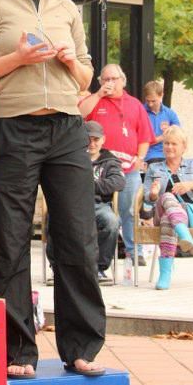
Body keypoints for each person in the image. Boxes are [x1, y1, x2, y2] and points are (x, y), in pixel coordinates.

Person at [0, 0, 105, 379]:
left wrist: (68, 60)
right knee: (11, 239)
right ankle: (18, 351)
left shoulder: (67, 9)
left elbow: (88, 78)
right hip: (15, 129)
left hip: (66, 129)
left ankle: (81, 347)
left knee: (77, 237)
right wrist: (18, 59)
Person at [79, 64, 154, 266]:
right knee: (102, 214)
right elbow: (79, 113)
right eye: (105, 79)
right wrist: (97, 94)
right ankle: (99, 259)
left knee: (129, 210)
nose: (109, 83)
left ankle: (133, 251)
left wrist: (140, 158)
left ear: (123, 81)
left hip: (128, 168)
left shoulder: (135, 104)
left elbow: (144, 135)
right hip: (100, 168)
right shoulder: (95, 101)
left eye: (113, 79)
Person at [142, 126, 193, 287]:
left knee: (169, 219)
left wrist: (191, 184)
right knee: (166, 196)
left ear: (183, 147)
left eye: (174, 144)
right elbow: (147, 199)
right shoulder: (154, 168)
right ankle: (185, 236)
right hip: (160, 211)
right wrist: (153, 194)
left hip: (189, 215)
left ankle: (165, 276)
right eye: (166, 143)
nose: (169, 147)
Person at [84, 121, 124, 283]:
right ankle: (57, 267)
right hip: (73, 204)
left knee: (112, 222)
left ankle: (99, 268)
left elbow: (118, 182)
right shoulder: (72, 158)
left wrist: (89, 185)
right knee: (55, 218)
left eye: (96, 139)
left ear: (103, 140)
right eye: (88, 139)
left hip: (100, 205)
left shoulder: (110, 161)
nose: (92, 143)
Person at [143, 80, 180, 164]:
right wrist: (162, 137)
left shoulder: (170, 113)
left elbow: (178, 135)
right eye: (148, 101)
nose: (150, 104)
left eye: (153, 101)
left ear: (161, 96)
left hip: (170, 154)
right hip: (150, 156)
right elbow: (141, 142)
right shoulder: (141, 112)